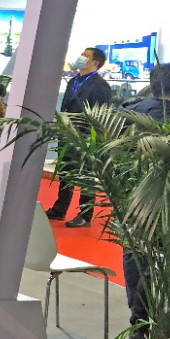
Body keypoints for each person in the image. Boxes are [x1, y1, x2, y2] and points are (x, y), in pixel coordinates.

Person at [121, 61, 170, 339]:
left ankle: (139, 327)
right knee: (159, 263)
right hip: (166, 207)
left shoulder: (126, 112)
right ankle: (146, 327)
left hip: (130, 204)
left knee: (136, 257)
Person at [45, 47, 112, 228]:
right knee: (65, 173)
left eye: (86, 55)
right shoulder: (73, 81)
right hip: (67, 133)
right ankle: (60, 209)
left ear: (95, 62)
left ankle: (85, 215)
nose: (81, 57)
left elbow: (100, 115)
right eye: (82, 54)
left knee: (85, 176)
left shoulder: (100, 86)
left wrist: (92, 138)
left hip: (85, 137)